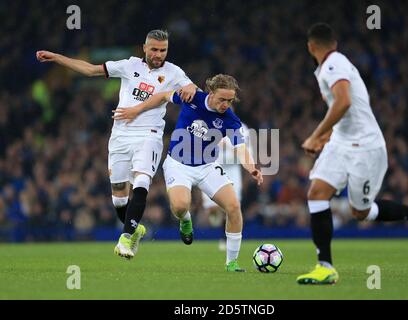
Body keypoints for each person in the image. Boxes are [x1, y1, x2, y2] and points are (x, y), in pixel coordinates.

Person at [36, 30, 197, 259]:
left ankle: (124, 239)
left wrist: (192, 87)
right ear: (144, 47)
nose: (159, 54)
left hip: (149, 135)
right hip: (120, 135)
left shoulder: (174, 72)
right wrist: (57, 58)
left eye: (163, 50)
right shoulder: (128, 65)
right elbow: (91, 70)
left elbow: (197, 94)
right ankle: (136, 229)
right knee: (119, 197)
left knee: (142, 180)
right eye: (154, 49)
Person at [297, 23, 408, 285]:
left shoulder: (333, 63)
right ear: (333, 42)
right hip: (341, 143)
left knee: (360, 212)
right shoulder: (332, 63)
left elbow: (344, 101)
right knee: (316, 193)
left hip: (366, 148)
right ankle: (325, 266)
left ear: (311, 47)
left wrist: (315, 134)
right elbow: (346, 111)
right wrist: (326, 136)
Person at [113, 74, 263, 271]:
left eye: (229, 100)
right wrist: (137, 109)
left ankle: (231, 262)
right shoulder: (192, 98)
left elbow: (240, 147)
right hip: (178, 164)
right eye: (222, 99)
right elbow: (164, 96)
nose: (225, 104)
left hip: (207, 166)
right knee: (180, 206)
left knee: (234, 207)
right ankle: (185, 220)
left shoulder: (230, 119)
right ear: (211, 93)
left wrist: (251, 167)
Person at [201, 119, 252, 251]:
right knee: (212, 209)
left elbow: (247, 152)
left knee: (231, 207)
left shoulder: (241, 128)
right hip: (211, 166)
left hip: (232, 169)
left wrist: (228, 147)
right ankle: (217, 216)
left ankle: (225, 238)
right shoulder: (208, 122)